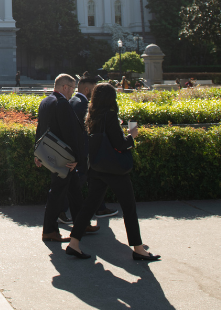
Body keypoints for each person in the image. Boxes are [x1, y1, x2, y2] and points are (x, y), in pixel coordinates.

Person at [66, 83, 160, 261]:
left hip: (96, 167)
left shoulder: (92, 116)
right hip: (114, 169)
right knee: (129, 207)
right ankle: (138, 249)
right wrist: (132, 136)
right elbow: (119, 144)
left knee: (89, 206)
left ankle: (74, 243)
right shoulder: (110, 116)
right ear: (111, 98)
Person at [35, 74, 94, 243]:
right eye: (73, 88)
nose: (73, 93)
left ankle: (82, 224)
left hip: (51, 153)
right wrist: (77, 157)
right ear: (65, 87)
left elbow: (40, 128)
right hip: (64, 156)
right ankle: (49, 230)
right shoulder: (62, 103)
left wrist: (37, 152)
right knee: (58, 192)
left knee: (74, 190)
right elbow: (71, 133)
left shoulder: (45, 102)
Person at [58, 75, 116, 225]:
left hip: (81, 150)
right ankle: (60, 210)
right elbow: (80, 130)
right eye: (94, 90)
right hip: (83, 151)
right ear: (87, 89)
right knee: (81, 179)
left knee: (95, 178)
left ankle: (100, 208)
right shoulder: (82, 104)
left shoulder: (74, 100)